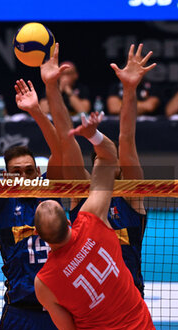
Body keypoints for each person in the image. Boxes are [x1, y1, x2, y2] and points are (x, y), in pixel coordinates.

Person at [34, 116, 161, 330]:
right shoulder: (92, 218)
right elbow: (106, 153)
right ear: (69, 221)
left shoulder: (44, 281)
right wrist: (94, 135)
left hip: (106, 327)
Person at [40, 43, 154, 300]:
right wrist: (51, 87)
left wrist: (129, 89)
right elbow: (66, 141)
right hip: (89, 306)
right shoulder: (82, 194)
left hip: (129, 303)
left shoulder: (131, 198)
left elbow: (127, 139)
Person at [0, 79, 70, 330]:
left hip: (59, 311)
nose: (24, 177)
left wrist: (36, 111)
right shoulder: (1, 198)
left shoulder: (51, 188)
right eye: (17, 172)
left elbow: (59, 150)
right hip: (19, 313)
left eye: (30, 170)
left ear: (38, 172)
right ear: (6, 176)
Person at [106, 52, 160, 116]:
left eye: (140, 66)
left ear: (145, 68)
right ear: (126, 67)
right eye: (133, 67)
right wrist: (140, 106)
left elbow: (150, 107)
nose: (135, 70)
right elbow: (114, 108)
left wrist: (123, 104)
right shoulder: (116, 87)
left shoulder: (152, 87)